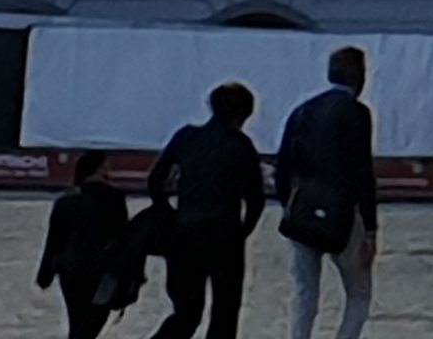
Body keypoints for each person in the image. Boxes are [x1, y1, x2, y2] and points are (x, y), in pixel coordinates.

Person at [273, 47, 380, 339]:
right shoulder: (358, 113)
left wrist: (289, 204)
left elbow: (282, 165)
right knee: (358, 293)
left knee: (305, 292)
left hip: (303, 209)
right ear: (360, 77)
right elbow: (362, 172)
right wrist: (370, 229)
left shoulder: (302, 110)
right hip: (342, 212)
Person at [151, 81, 268, 339]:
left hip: (185, 232)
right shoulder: (242, 146)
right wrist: (243, 230)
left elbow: (155, 180)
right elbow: (255, 199)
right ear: (244, 114)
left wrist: (168, 213)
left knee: (186, 311)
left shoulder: (186, 137)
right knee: (225, 311)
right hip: (224, 234)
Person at [40, 152, 137, 339]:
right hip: (102, 270)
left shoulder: (64, 202)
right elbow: (122, 238)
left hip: (69, 269)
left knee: (76, 319)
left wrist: (45, 275)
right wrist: (132, 273)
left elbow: (54, 240)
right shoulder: (115, 198)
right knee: (94, 319)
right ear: (99, 169)